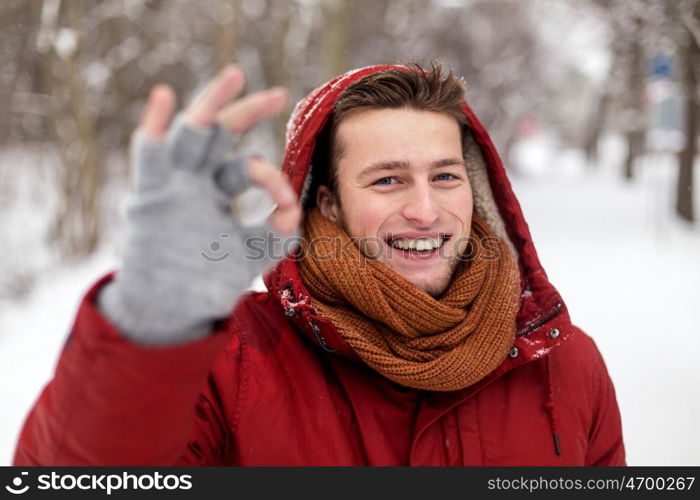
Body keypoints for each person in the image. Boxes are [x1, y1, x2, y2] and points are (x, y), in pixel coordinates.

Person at [13, 62, 625, 466]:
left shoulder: (562, 363)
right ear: (327, 202)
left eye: (445, 176)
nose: (425, 208)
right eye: (387, 180)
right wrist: (149, 331)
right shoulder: (235, 361)